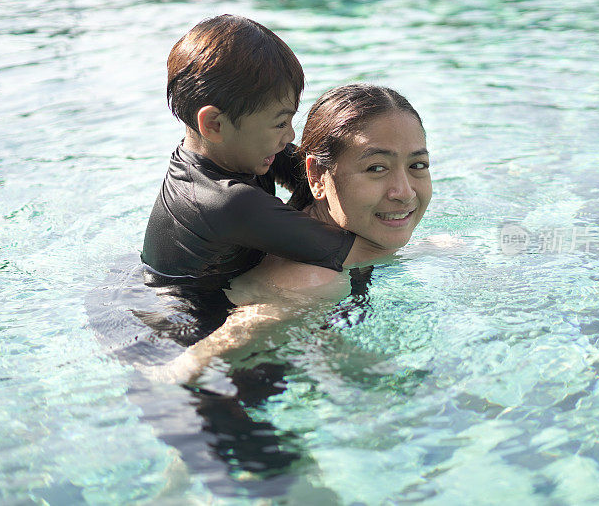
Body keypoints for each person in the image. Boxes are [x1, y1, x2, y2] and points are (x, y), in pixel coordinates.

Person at [141, 84, 432, 383]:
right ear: (316, 176)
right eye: (376, 168)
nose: (404, 192)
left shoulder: (313, 233)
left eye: (418, 165)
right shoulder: (314, 279)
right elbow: (191, 365)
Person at [141, 15, 387, 294]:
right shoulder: (225, 201)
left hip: (207, 285)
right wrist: (438, 249)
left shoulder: (236, 151)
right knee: (335, 277)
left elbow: (322, 177)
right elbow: (360, 253)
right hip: (185, 318)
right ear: (214, 125)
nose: (290, 136)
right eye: (280, 123)